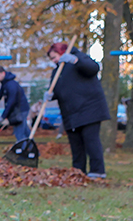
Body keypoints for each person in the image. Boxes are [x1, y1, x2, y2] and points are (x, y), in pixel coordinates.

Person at [47, 42, 110, 178]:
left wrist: (75, 60)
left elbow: (93, 68)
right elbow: (57, 89)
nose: (54, 61)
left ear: (62, 52)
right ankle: (78, 171)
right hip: (71, 113)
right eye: (52, 59)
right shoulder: (57, 71)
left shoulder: (79, 58)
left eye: (55, 57)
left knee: (91, 141)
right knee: (76, 144)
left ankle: (98, 171)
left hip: (89, 109)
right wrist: (51, 95)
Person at [0, 66, 30, 142]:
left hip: (20, 110)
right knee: (26, 132)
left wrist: (3, 116)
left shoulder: (11, 85)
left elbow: (11, 102)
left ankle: (23, 149)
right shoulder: (5, 84)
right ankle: (32, 149)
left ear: (3, 73)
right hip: (18, 110)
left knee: (19, 132)